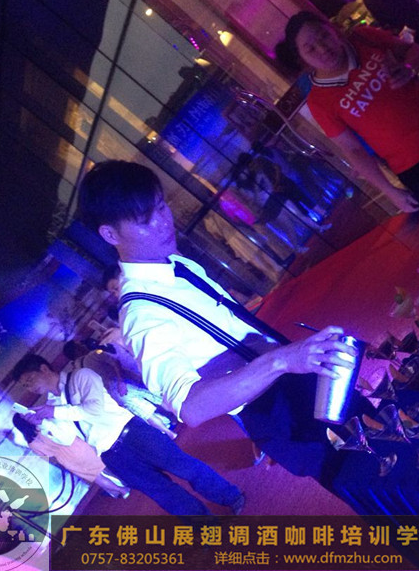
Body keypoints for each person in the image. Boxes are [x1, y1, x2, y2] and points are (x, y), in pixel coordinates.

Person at [77, 160, 369, 482]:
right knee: (378, 485)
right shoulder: (140, 313)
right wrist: (281, 361)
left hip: (298, 380)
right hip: (275, 409)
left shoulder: (177, 265)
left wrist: (290, 358)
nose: (163, 223)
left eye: (161, 207)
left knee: (388, 438)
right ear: (110, 233)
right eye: (145, 220)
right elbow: (190, 408)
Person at [276, 11, 419, 233]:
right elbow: (353, 150)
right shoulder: (319, 101)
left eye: (323, 36)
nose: (323, 49)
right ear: (302, 58)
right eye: (310, 48)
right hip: (416, 168)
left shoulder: (363, 37)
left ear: (332, 29)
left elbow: (415, 51)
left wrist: (409, 68)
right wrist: (390, 191)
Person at [11, 353, 245, 516]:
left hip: (133, 433)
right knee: (160, 491)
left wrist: (55, 412)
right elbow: (67, 438)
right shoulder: (52, 404)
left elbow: (94, 409)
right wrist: (44, 425)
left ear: (44, 369)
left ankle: (231, 496)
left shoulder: (80, 377)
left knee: (184, 466)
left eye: (30, 380)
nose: (30, 387)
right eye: (25, 386)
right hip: (110, 453)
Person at [62, 339, 177, 439]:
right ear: (77, 349)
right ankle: (176, 415)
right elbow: (114, 362)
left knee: (146, 413)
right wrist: (120, 380)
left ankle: (169, 433)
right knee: (155, 398)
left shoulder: (78, 372)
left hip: (115, 394)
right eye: (80, 345)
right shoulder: (94, 354)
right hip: (123, 382)